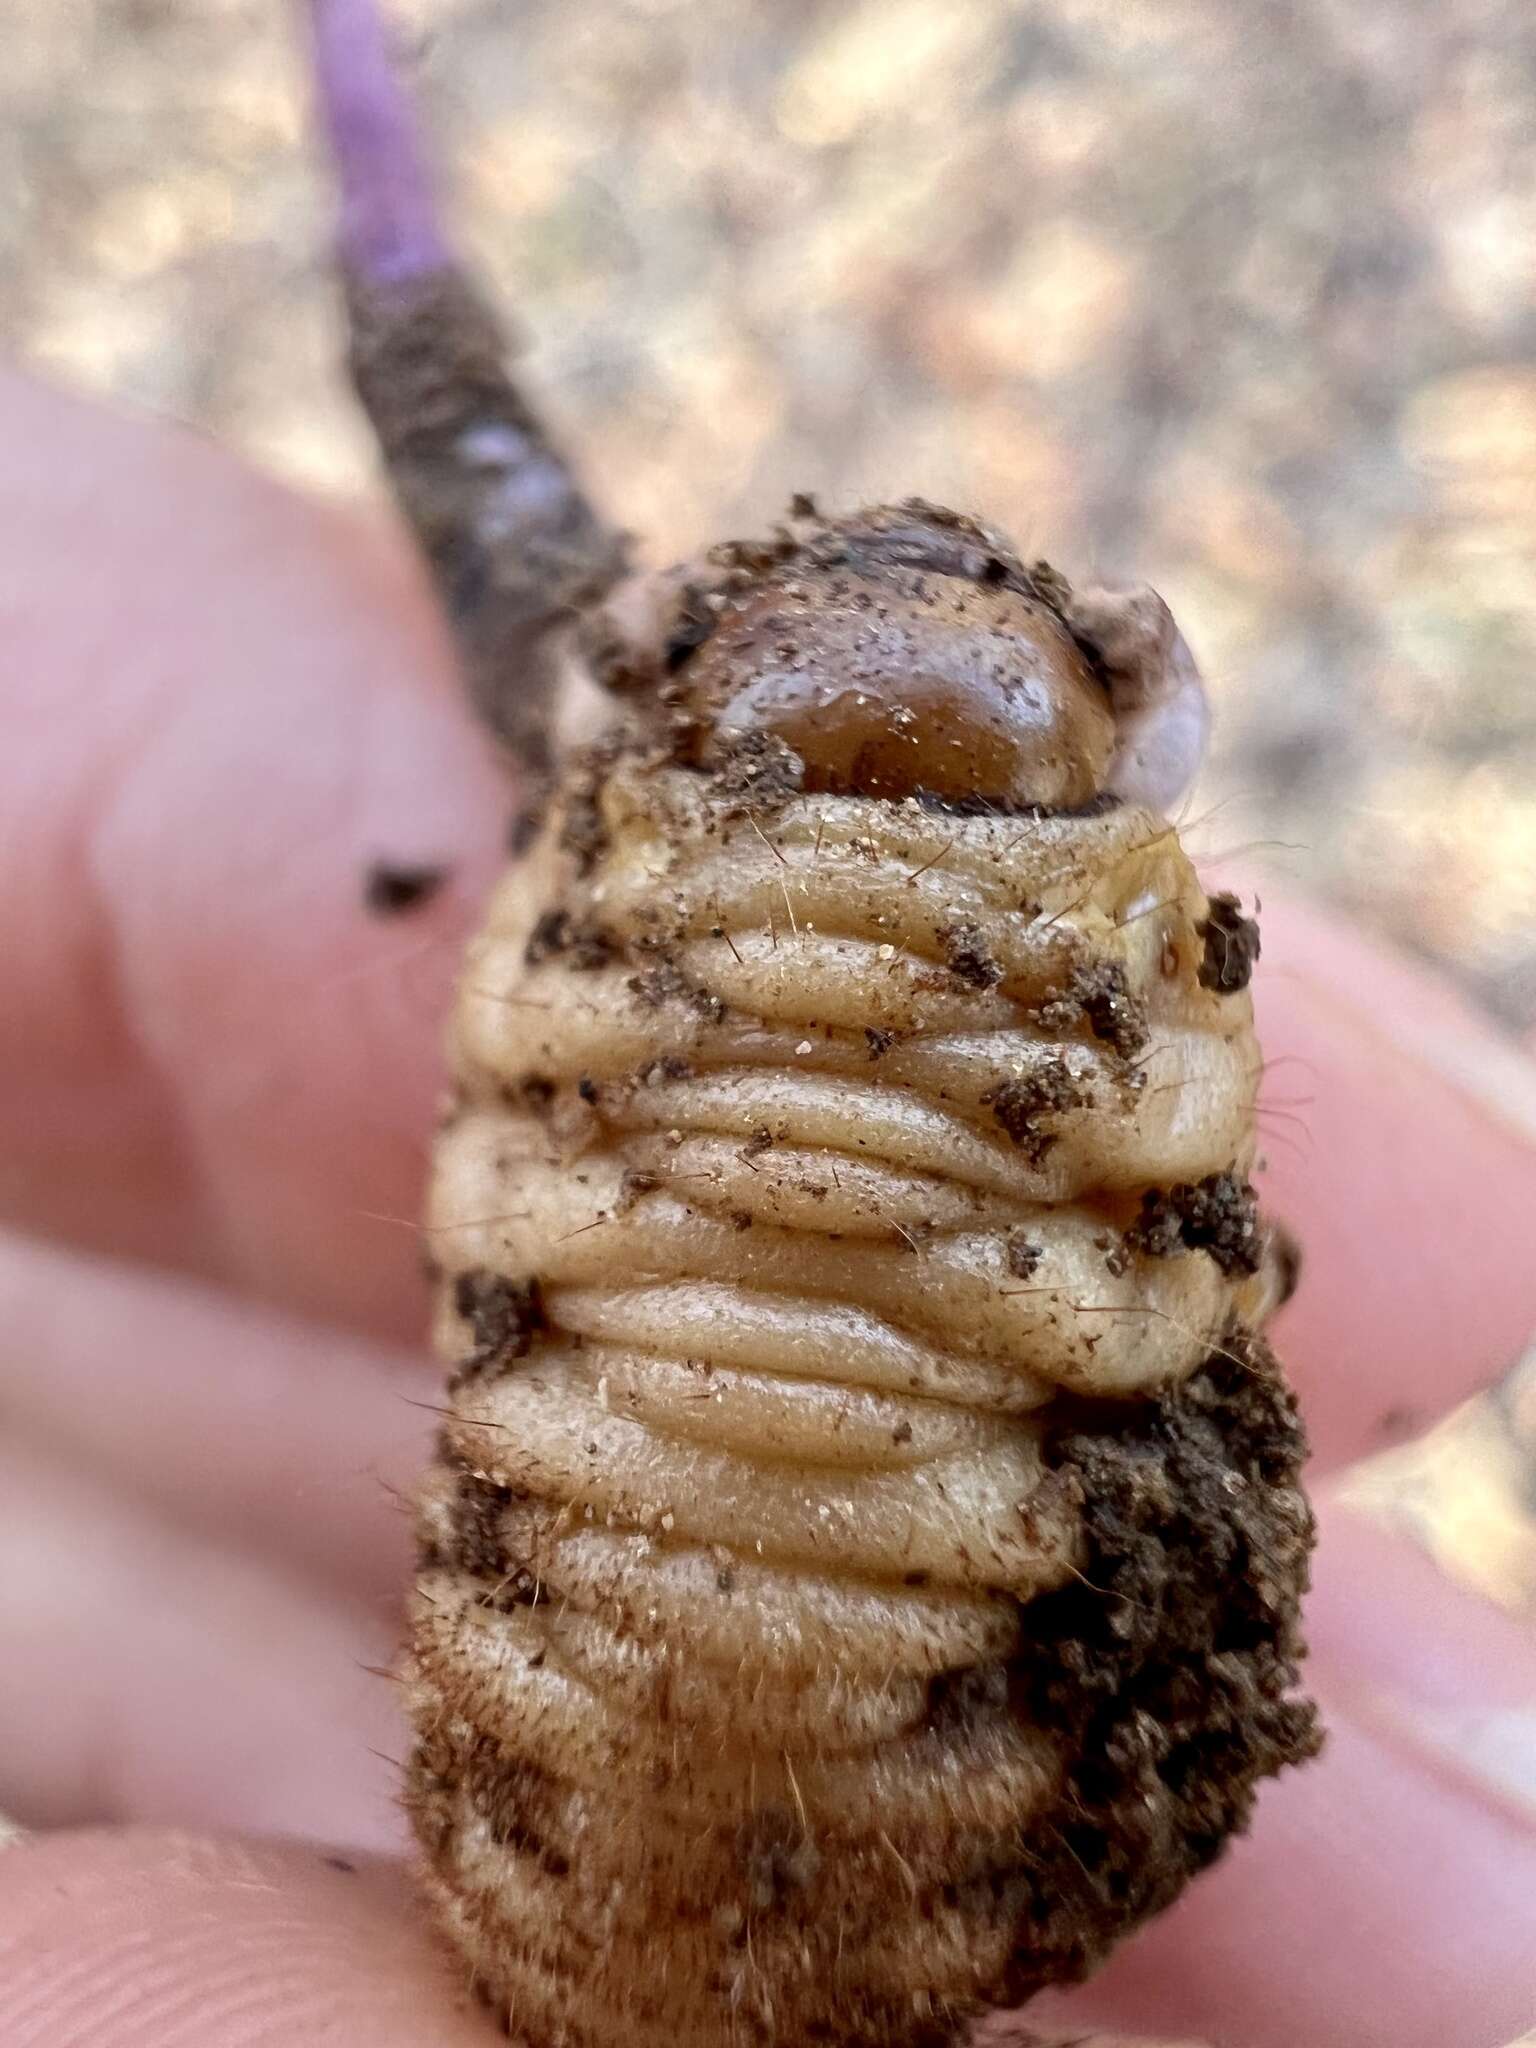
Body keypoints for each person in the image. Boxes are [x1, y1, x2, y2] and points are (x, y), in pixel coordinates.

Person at [0, 367, 1532, 2048]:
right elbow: (1173, 1259)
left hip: (588, 1818)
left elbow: (512, 1187)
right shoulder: (1108, 1003)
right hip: (909, 1834)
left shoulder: (599, 948)